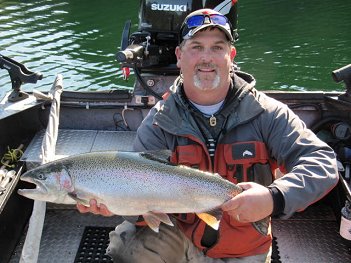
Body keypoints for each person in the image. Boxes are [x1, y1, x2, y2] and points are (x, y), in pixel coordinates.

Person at [77, 8, 339, 262]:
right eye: (196, 47)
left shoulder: (268, 113)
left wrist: (274, 198)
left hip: (245, 242)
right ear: (179, 55)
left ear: (231, 55)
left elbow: (323, 163)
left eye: (217, 47)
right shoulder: (159, 122)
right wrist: (113, 202)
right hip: (183, 235)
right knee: (127, 245)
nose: (207, 58)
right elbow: (143, 204)